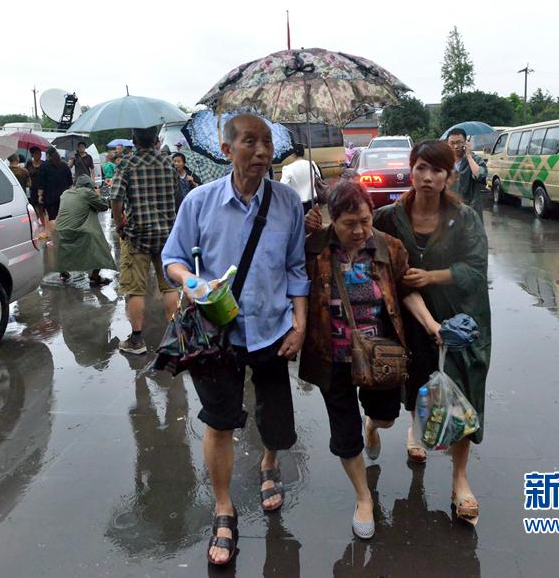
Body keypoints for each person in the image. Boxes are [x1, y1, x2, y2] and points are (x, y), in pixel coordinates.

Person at [162, 114, 309, 566]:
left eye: (267, 142)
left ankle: (268, 463)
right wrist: (192, 282)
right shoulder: (199, 202)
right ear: (227, 150)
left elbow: (297, 269)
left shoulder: (287, 202)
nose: (262, 152)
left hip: (272, 328)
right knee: (220, 420)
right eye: (250, 142)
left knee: (274, 414)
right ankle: (223, 506)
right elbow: (173, 258)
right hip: (215, 333)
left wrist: (300, 325)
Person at [299, 180, 441, 539]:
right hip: (332, 357)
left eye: (364, 220)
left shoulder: (388, 247)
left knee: (386, 418)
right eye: (349, 224)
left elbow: (407, 292)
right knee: (345, 436)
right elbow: (291, 286)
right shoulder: (314, 248)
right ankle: (363, 497)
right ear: (332, 218)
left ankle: (372, 425)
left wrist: (430, 324)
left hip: (381, 358)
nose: (360, 230)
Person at [372, 141, 491, 525]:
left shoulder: (465, 217)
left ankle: (460, 480)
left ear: (448, 176)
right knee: (411, 382)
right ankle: (401, 424)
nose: (427, 177)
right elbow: (358, 247)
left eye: (437, 171)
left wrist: (433, 276)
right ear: (411, 169)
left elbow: (476, 270)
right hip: (403, 319)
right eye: (421, 167)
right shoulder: (389, 217)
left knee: (461, 394)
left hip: (457, 319)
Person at [110, 126, 178, 355]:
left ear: (133, 141)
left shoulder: (126, 165)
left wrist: (119, 223)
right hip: (167, 235)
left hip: (137, 235)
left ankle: (137, 341)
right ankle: (175, 337)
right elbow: (177, 194)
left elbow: (116, 198)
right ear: (157, 140)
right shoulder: (168, 163)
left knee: (135, 289)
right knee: (169, 285)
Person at [53, 175, 117, 286]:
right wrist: (97, 194)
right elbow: (104, 206)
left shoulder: (65, 193)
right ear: (90, 186)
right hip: (78, 232)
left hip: (60, 231)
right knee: (105, 247)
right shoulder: (87, 192)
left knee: (66, 251)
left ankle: (63, 273)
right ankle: (95, 277)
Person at [446, 128, 488, 217]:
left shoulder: (475, 159)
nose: (456, 146)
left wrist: (468, 156)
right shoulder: (444, 161)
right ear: (448, 144)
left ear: (465, 143)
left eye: (459, 142)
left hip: (470, 210)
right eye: (452, 143)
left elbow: (480, 176)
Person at [37, 146, 73, 233]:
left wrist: (40, 196)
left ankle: (54, 237)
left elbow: (41, 184)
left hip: (50, 197)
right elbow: (70, 183)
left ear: (48, 155)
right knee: (63, 217)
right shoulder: (64, 166)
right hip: (64, 197)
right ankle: (64, 234)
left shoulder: (44, 166)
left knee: (52, 218)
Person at [280, 143, 321, 214]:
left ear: (293, 154)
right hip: (312, 200)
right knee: (313, 222)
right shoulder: (312, 164)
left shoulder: (288, 168)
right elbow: (318, 177)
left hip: (297, 201)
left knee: (300, 222)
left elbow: (283, 185)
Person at [24, 146, 45, 227]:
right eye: (36, 154)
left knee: (42, 208)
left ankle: (43, 225)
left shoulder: (43, 164)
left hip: (42, 189)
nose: (38, 155)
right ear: (33, 155)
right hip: (32, 188)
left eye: (39, 154)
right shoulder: (29, 164)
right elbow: (25, 173)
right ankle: (36, 223)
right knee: (34, 207)